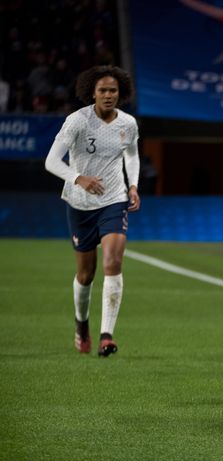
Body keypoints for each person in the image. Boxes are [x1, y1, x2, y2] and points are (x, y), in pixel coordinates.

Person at [44, 65, 140, 357]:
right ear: (92, 93)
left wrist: (133, 186)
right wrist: (79, 178)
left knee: (113, 261)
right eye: (103, 90)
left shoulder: (128, 124)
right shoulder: (77, 121)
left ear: (120, 93)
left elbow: (132, 154)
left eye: (113, 90)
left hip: (114, 199)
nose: (108, 95)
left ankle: (106, 336)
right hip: (80, 203)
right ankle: (82, 323)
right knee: (85, 275)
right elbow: (51, 161)